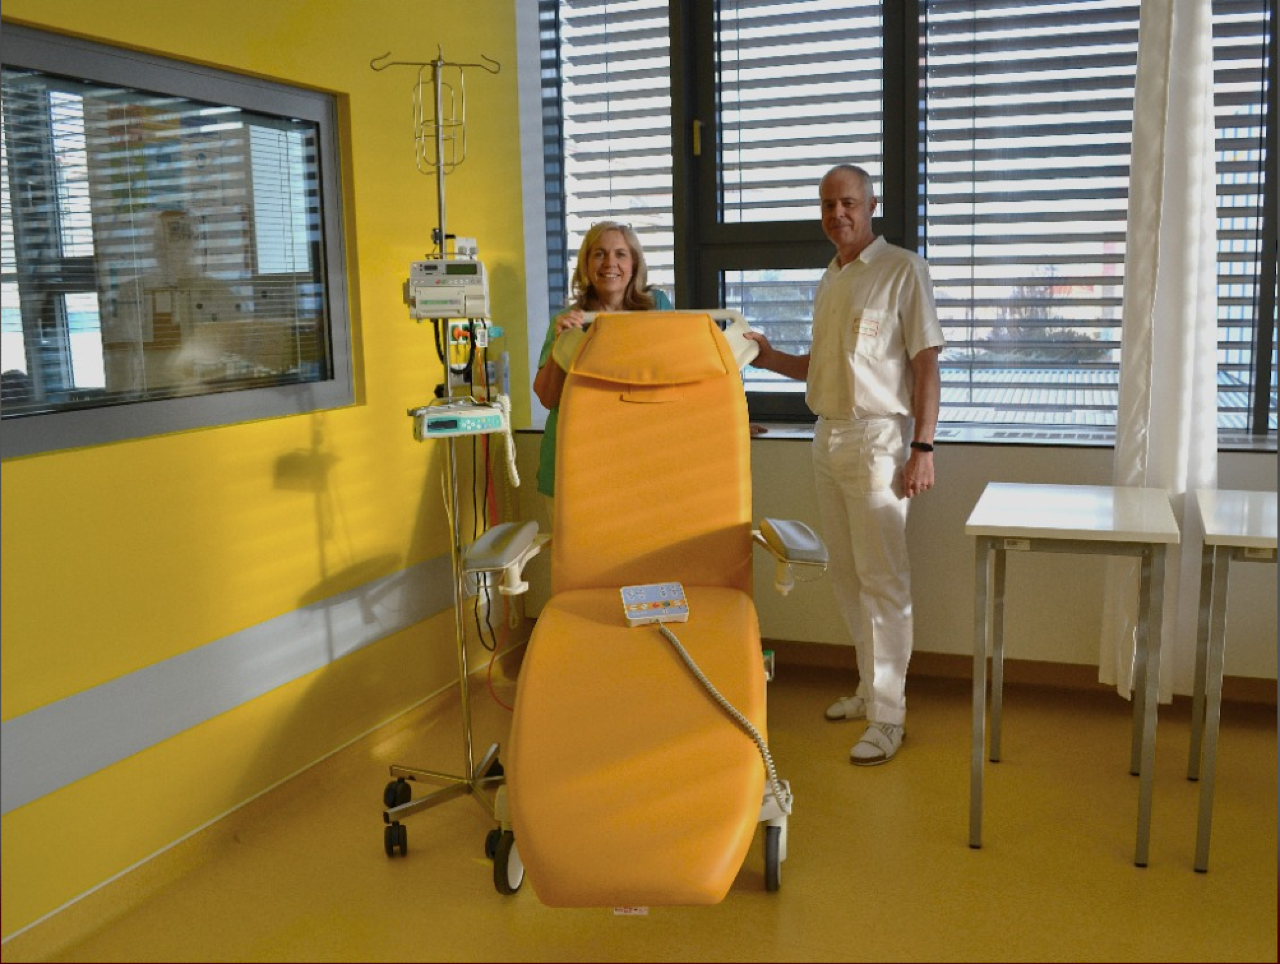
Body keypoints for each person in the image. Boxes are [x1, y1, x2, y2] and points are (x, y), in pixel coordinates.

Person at [744, 164, 944, 766]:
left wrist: (923, 447)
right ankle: (868, 688)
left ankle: (889, 716)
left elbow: (927, 364)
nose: (838, 214)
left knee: (883, 581)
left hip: (879, 440)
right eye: (828, 205)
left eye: (849, 203)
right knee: (847, 576)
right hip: (827, 436)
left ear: (871, 205)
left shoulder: (903, 269)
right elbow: (820, 366)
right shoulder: (830, 279)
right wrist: (766, 357)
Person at [532, 221, 672, 501]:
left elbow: (678, 373)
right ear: (586, 264)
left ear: (634, 263)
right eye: (599, 254)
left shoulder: (656, 306)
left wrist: (722, 418)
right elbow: (547, 398)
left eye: (620, 254)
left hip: (638, 456)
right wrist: (562, 344)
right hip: (576, 459)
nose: (610, 263)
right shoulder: (567, 321)